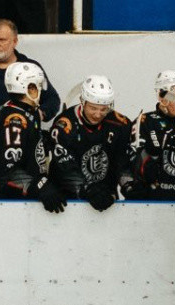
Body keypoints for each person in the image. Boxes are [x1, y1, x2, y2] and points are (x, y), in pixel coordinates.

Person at [46, 75, 132, 211]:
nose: (98, 114)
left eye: (104, 109)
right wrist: (88, 189)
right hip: (68, 202)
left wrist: (129, 186)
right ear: (82, 101)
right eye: (93, 108)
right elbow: (65, 169)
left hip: (106, 199)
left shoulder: (121, 124)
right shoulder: (64, 125)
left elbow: (122, 163)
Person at [0, 60, 52, 203]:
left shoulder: (25, 110)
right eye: (38, 86)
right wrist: (38, 186)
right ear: (29, 88)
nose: (40, 90)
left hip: (24, 195)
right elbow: (8, 170)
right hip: (12, 200)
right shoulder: (15, 119)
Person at [128, 70, 175, 201]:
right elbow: (135, 168)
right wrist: (152, 153)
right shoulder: (145, 121)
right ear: (162, 98)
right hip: (154, 201)